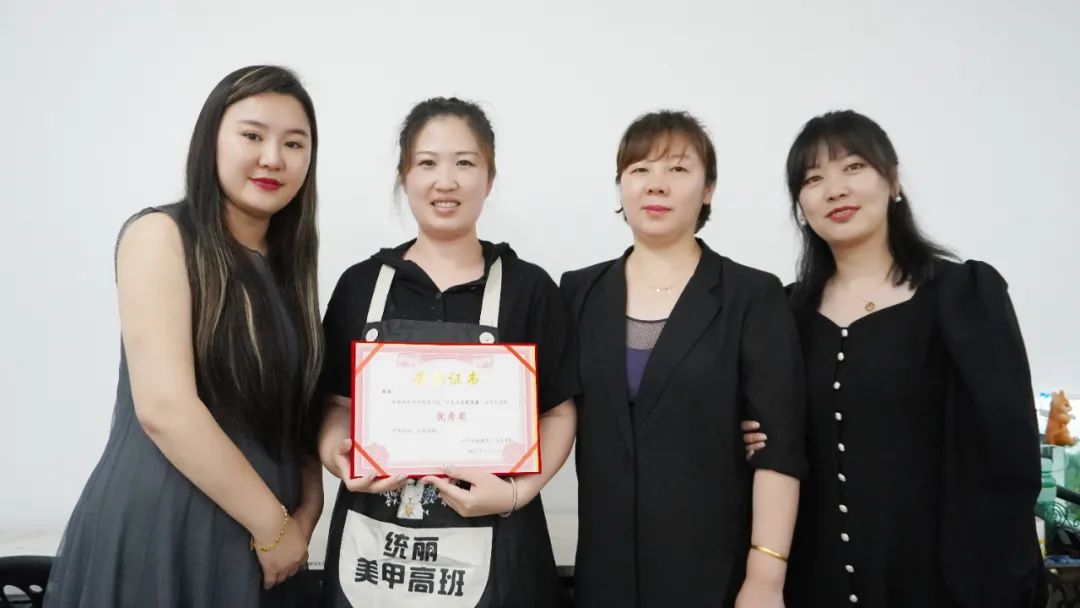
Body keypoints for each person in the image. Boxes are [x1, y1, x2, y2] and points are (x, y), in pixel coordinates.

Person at [741, 109, 1047, 607]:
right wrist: (749, 434)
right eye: (813, 179)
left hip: (942, 582)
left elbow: (1007, 458)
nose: (835, 190)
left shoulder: (964, 297)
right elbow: (773, 435)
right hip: (814, 582)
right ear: (800, 203)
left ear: (893, 181)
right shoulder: (784, 314)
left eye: (854, 167)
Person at [45, 65, 325, 607]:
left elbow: (297, 412)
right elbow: (165, 408)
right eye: (252, 135)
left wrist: (307, 512)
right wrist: (274, 527)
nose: (273, 158)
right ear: (210, 140)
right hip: (170, 529)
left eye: (294, 143)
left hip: (268, 544)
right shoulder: (160, 235)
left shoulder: (288, 267)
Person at [316, 97, 579, 607]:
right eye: (427, 163)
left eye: (465, 163)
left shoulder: (529, 289)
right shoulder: (360, 285)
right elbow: (336, 404)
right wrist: (336, 454)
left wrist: (516, 492)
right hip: (377, 549)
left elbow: (559, 411)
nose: (446, 181)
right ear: (404, 176)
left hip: (501, 548)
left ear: (489, 177)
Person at [561, 110, 805, 607]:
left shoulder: (751, 295)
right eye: (640, 169)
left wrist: (765, 577)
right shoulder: (577, 292)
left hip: (713, 571)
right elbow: (547, 411)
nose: (656, 184)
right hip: (605, 571)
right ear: (621, 186)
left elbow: (779, 447)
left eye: (677, 169)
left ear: (708, 189)